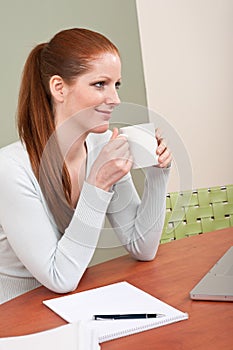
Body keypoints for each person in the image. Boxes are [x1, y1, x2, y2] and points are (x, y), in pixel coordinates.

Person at [0, 28, 172, 304]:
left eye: (116, 85)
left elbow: (142, 247)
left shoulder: (101, 147)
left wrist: (158, 174)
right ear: (59, 88)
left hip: (67, 306)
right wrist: (98, 184)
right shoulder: (10, 169)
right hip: (13, 314)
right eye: (100, 84)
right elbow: (60, 277)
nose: (115, 99)